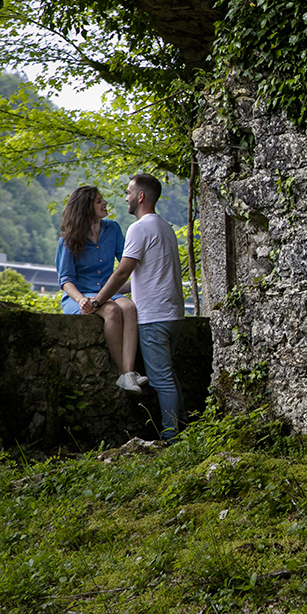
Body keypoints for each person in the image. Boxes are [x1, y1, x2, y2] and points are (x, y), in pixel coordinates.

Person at [89, 174, 187, 441]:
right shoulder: (165, 227)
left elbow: (122, 273)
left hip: (154, 316)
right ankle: (185, 424)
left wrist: (97, 302)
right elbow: (138, 280)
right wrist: (101, 292)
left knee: (161, 379)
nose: (125, 197)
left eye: (129, 192)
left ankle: (172, 436)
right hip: (174, 314)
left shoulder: (139, 228)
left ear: (141, 196)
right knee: (169, 373)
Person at [55, 185, 147, 394]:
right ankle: (123, 373)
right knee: (113, 311)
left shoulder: (112, 228)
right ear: (86, 208)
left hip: (108, 291)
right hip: (80, 295)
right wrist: (80, 300)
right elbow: (66, 280)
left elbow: (126, 261)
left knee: (129, 307)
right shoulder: (68, 240)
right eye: (98, 201)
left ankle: (129, 373)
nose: (105, 203)